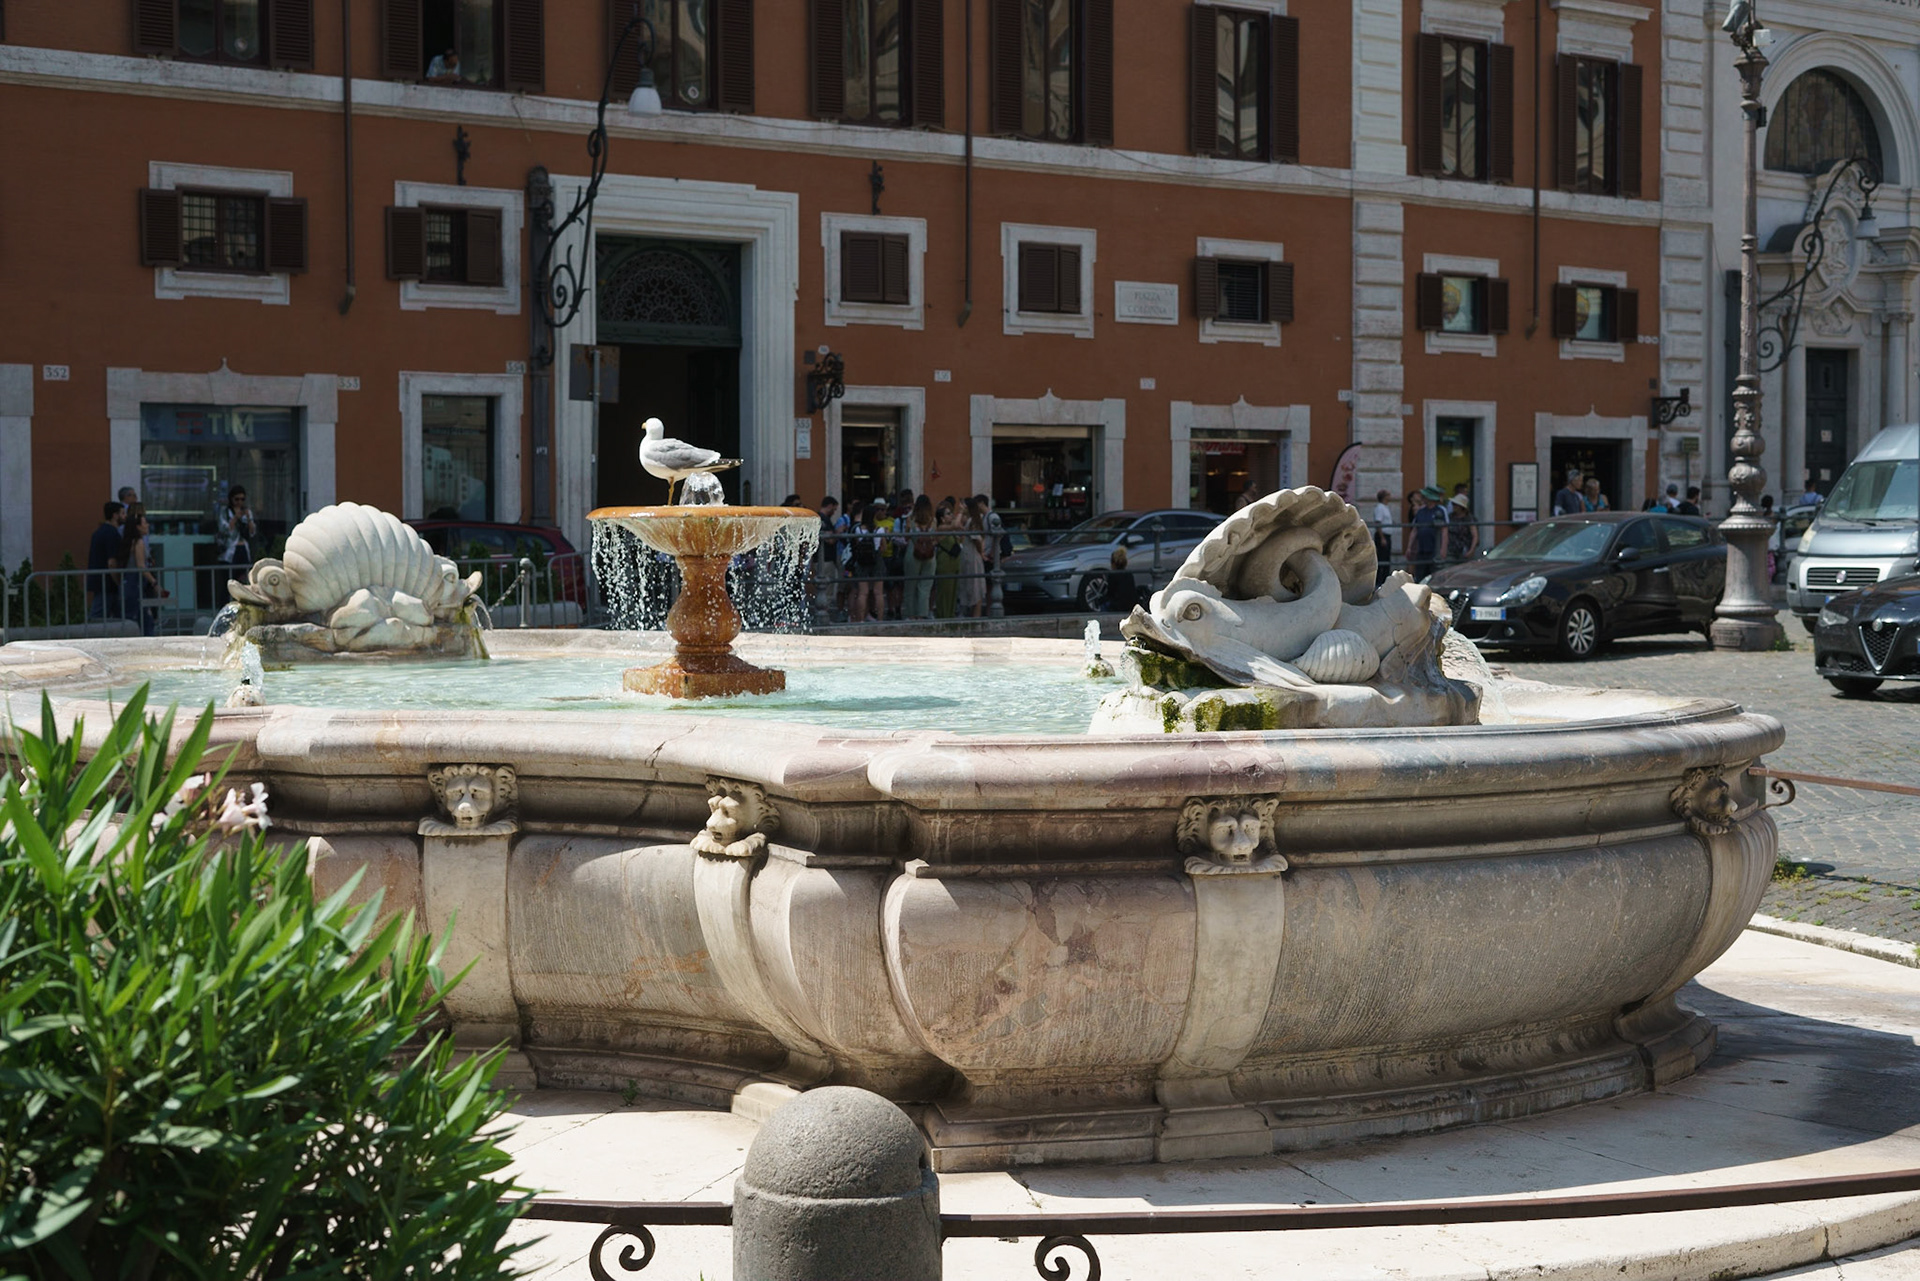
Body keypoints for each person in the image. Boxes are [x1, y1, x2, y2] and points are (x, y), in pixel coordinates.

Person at [119, 504, 167, 637]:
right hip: (136, 585)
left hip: (129, 584)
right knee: (145, 619)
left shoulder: (130, 542)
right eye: (145, 523)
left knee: (135, 618)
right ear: (138, 527)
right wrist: (154, 582)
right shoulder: (138, 543)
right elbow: (141, 566)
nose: (148, 525)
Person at [846, 502, 885, 623]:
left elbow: (856, 545)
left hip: (862, 560)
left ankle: (860, 619)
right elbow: (883, 547)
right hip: (876, 559)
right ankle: (880, 619)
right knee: (878, 593)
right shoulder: (880, 530)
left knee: (863, 593)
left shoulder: (858, 529)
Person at [87, 500, 126, 619]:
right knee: (97, 617)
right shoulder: (112, 534)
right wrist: (118, 582)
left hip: (102, 582)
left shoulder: (100, 531)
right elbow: (112, 563)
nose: (125, 517)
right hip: (107, 584)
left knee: (119, 616)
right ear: (115, 515)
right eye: (123, 513)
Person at [903, 495, 937, 619]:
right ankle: (922, 614)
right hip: (929, 554)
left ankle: (910, 614)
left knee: (910, 586)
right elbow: (935, 538)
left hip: (913, 551)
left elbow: (906, 538)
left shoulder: (910, 519)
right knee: (925, 586)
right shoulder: (933, 520)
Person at [218, 485, 257, 583]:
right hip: (230, 549)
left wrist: (249, 518)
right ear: (231, 499)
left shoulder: (246, 512)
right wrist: (235, 518)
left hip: (243, 547)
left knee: (244, 579)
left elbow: (252, 532)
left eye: (242, 499)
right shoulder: (225, 512)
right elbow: (224, 529)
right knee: (228, 580)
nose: (239, 502)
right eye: (237, 499)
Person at [1409, 486, 1448, 582]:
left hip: (1435, 549)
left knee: (1434, 576)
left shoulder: (1441, 510)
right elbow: (1415, 530)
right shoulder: (1421, 511)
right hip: (1421, 548)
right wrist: (1409, 547)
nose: (1423, 498)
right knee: (1420, 575)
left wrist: (1443, 549)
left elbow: (1444, 531)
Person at [1446, 489, 1479, 561]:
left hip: (1464, 549)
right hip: (1450, 550)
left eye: (1455, 505)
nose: (1453, 506)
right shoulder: (1450, 517)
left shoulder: (1469, 519)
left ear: (1461, 507)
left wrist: (1471, 550)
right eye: (1453, 504)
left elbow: (1475, 536)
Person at [1371, 489, 1395, 585]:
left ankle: (1385, 579)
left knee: (1386, 558)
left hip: (1387, 535)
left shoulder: (1385, 507)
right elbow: (1378, 523)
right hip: (1383, 535)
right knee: (1382, 558)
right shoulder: (1380, 508)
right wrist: (1382, 538)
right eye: (1388, 495)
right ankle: (1379, 581)